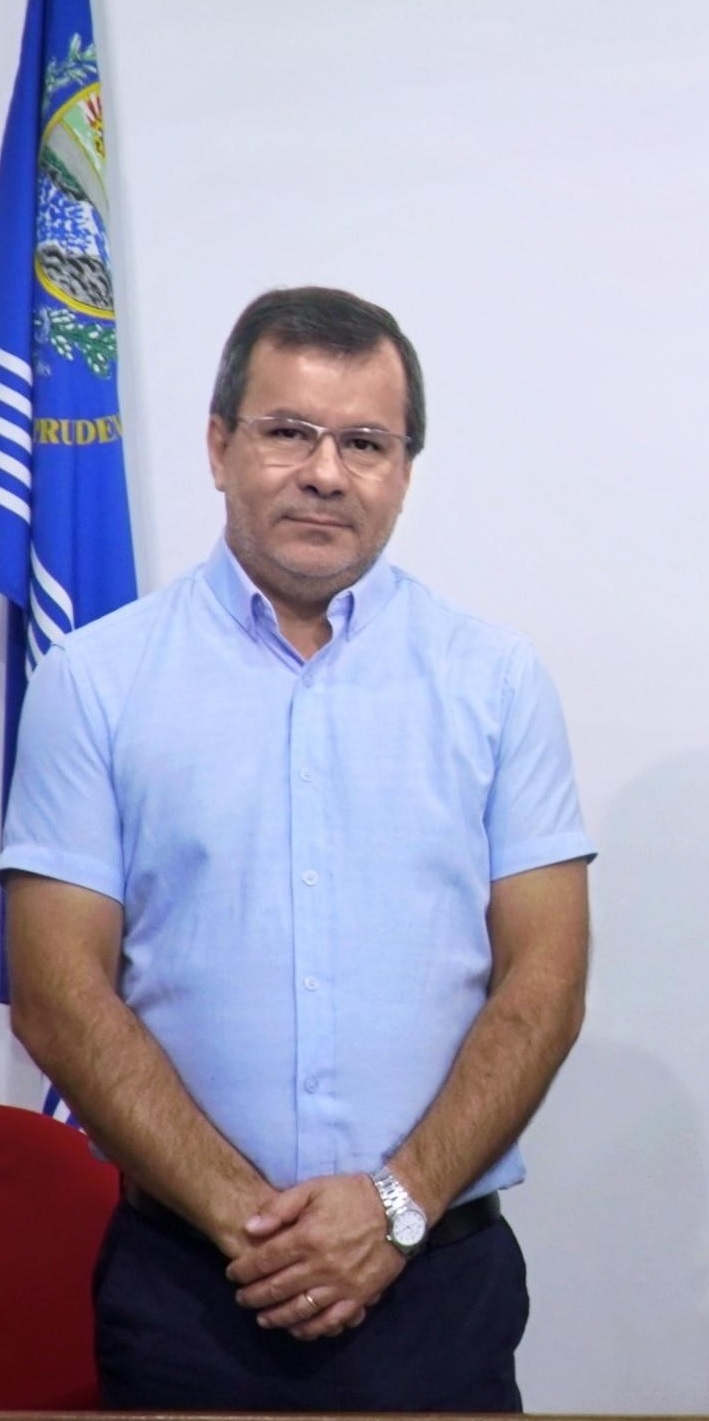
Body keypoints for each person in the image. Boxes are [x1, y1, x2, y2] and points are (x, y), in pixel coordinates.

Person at [3, 287, 594, 1412]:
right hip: (188, 1286)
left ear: (403, 471)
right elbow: (56, 994)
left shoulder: (495, 682)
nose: (326, 472)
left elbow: (547, 981)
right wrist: (256, 1227)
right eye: (288, 431)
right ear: (219, 445)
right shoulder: (95, 682)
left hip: (437, 1282)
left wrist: (394, 1208)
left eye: (365, 443)